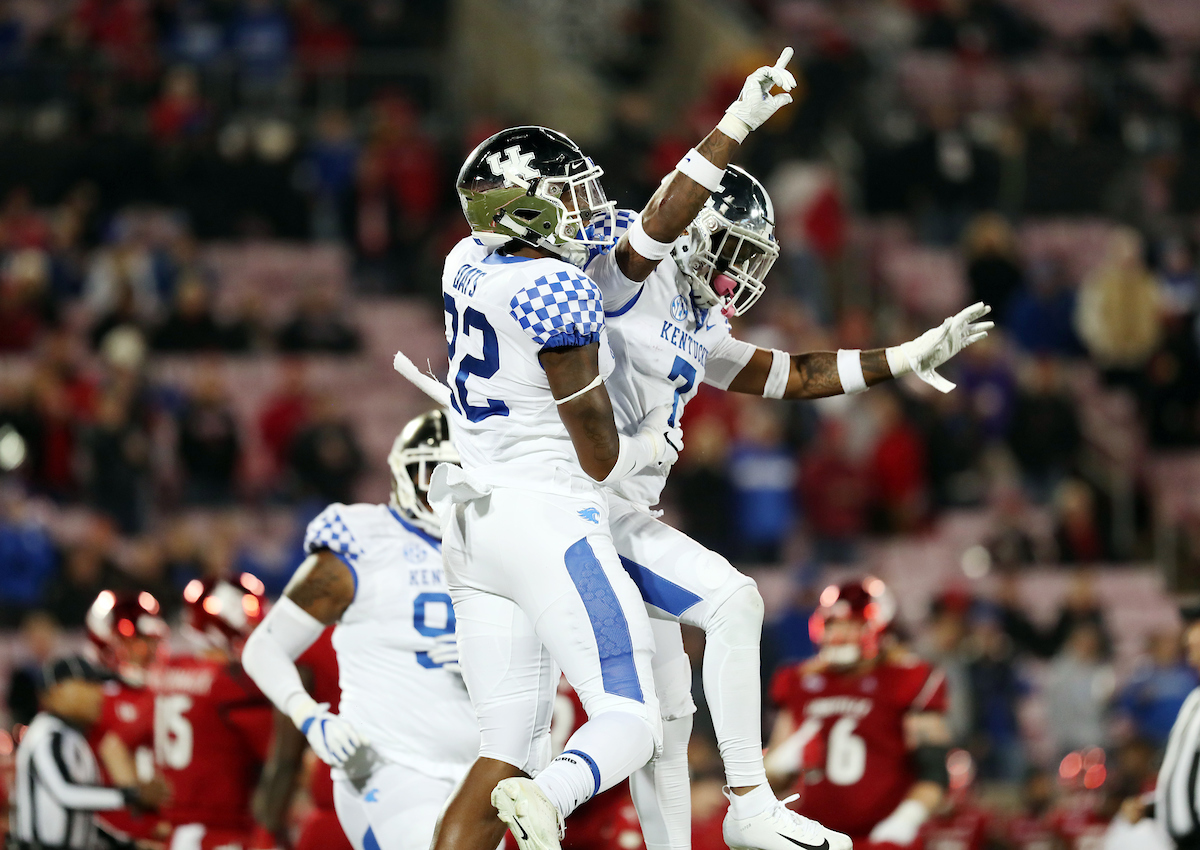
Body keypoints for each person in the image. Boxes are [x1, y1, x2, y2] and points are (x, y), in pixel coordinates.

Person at [242, 410, 478, 850]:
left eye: (459, 471)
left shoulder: (494, 545)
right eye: (431, 471)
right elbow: (264, 648)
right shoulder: (364, 541)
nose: (443, 487)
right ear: (404, 474)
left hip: (480, 769)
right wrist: (311, 718)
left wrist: (492, 655)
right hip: (391, 765)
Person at [765, 579, 953, 848]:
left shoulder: (908, 678)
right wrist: (780, 763)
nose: (840, 634)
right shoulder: (798, 680)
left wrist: (907, 819)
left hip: (881, 838)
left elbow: (935, 773)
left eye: (852, 624)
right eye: (833, 624)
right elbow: (770, 782)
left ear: (881, 627)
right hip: (812, 838)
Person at [147, 574, 294, 850]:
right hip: (220, 834)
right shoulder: (230, 683)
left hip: (174, 830)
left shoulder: (165, 672)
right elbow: (283, 755)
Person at [11, 655, 166, 850]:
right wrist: (132, 795)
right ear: (56, 691)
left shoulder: (71, 737)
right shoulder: (47, 734)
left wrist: (127, 845)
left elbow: (79, 821)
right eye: (87, 684)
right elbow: (67, 792)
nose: (98, 693)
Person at [84, 589, 170, 847]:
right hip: (114, 827)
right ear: (109, 642)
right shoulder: (94, 699)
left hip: (165, 821)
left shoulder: (167, 691)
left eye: (153, 641)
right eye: (138, 641)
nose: (150, 650)